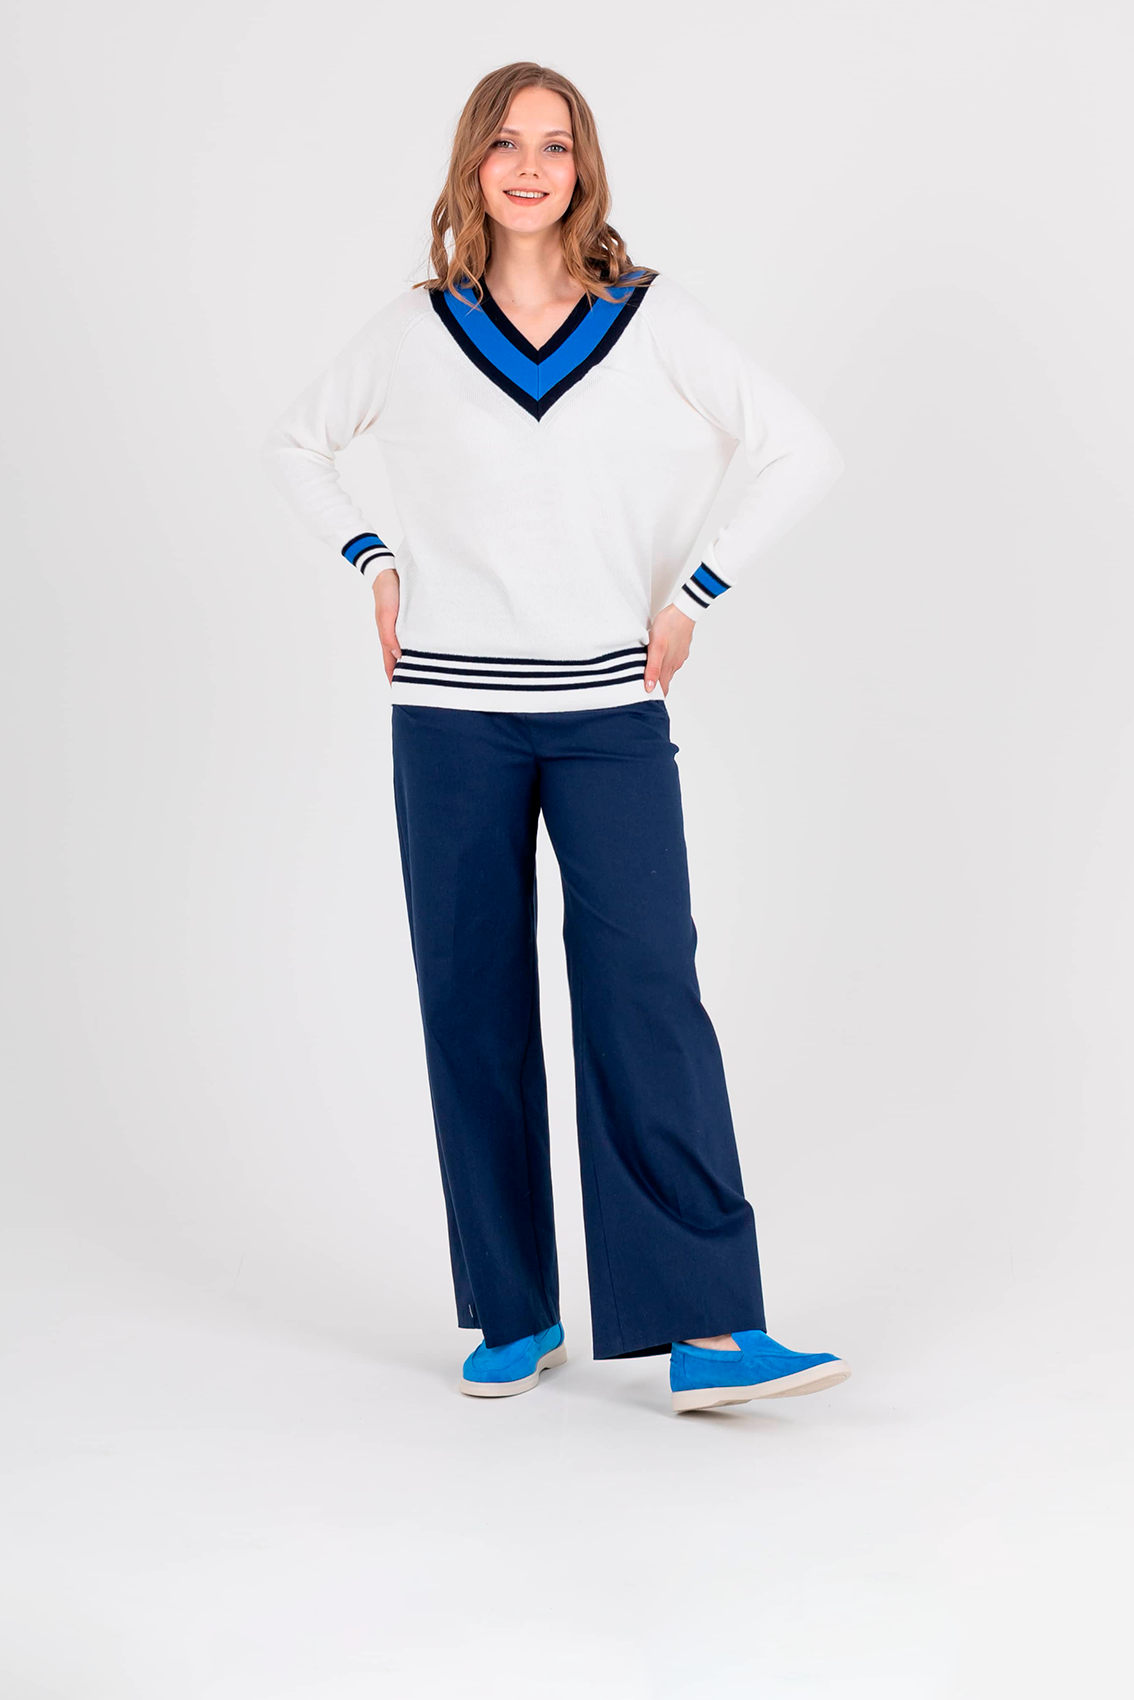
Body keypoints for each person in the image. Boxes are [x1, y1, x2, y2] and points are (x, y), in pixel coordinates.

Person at [259, 62, 851, 1415]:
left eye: (556, 144)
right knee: (469, 1003)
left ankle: (709, 1331)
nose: (530, 167)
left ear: (584, 169)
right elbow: (297, 444)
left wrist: (694, 594)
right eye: (507, 143)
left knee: (647, 995)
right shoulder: (415, 329)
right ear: (472, 165)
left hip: (606, 710)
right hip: (449, 713)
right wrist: (371, 558)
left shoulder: (652, 317)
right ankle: (513, 1314)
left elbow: (798, 448)